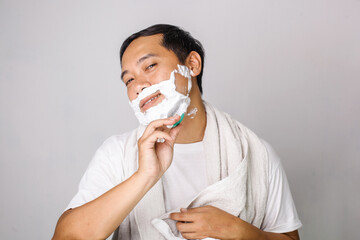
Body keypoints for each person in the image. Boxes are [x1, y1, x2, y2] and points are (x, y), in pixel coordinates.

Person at [53, 24, 302, 240]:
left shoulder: (255, 153)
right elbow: (66, 237)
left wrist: (237, 230)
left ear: (192, 64)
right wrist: (145, 176)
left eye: (149, 66)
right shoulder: (116, 153)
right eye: (128, 80)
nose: (139, 86)